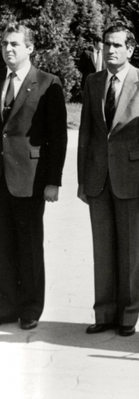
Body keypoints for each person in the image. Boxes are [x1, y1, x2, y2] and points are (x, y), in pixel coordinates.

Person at [78, 24, 139, 338]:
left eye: (117, 45)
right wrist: (81, 179)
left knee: (130, 250)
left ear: (130, 49)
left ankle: (128, 315)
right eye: (106, 45)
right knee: (102, 250)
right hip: (98, 179)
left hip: (132, 179)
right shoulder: (93, 82)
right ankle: (104, 313)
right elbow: (86, 134)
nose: (110, 50)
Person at [0, 24, 67, 331]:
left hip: (29, 178)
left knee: (28, 245)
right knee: (3, 245)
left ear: (30, 48)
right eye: (4, 43)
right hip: (1, 178)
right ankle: (7, 304)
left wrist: (53, 181)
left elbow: (57, 138)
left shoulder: (46, 83)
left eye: (15, 43)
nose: (8, 49)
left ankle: (31, 307)